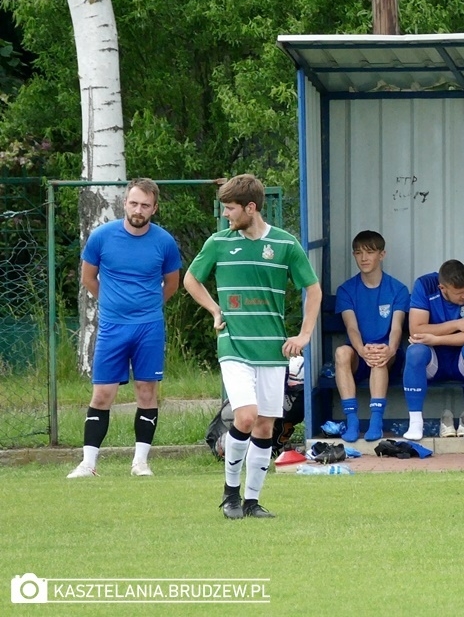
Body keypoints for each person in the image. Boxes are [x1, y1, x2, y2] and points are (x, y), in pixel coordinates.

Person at [183, 174, 321, 519]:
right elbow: (191, 279)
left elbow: (313, 289)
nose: (225, 214)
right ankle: (230, 495)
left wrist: (304, 335)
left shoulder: (285, 244)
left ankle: (252, 501)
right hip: (234, 346)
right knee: (245, 416)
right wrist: (215, 309)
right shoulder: (218, 243)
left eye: (230, 208)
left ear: (250, 207)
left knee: (264, 426)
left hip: (272, 349)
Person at [68, 178, 182, 479]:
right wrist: (113, 304)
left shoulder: (164, 242)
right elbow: (88, 278)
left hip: (149, 327)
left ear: (154, 208)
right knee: (102, 394)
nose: (138, 210)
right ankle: (88, 464)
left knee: (146, 391)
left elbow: (172, 283)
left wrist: (147, 307)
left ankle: (140, 463)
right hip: (111, 327)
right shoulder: (101, 237)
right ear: (124, 203)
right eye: (133, 203)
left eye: (145, 205)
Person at [333, 230, 409, 443]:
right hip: (359, 353)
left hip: (387, 354)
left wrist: (390, 349)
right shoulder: (346, 290)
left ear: (382, 255)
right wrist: (361, 350)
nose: (364, 258)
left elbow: (396, 329)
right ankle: (352, 421)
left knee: (379, 355)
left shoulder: (398, 289)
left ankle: (376, 421)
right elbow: (352, 328)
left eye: (370, 252)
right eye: (358, 253)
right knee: (341, 353)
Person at [402, 260, 464, 441]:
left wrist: (436, 339)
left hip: (463, 359)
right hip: (433, 360)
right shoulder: (425, 285)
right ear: (442, 288)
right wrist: (458, 324)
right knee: (414, 352)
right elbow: (417, 330)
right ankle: (415, 423)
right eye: (459, 293)